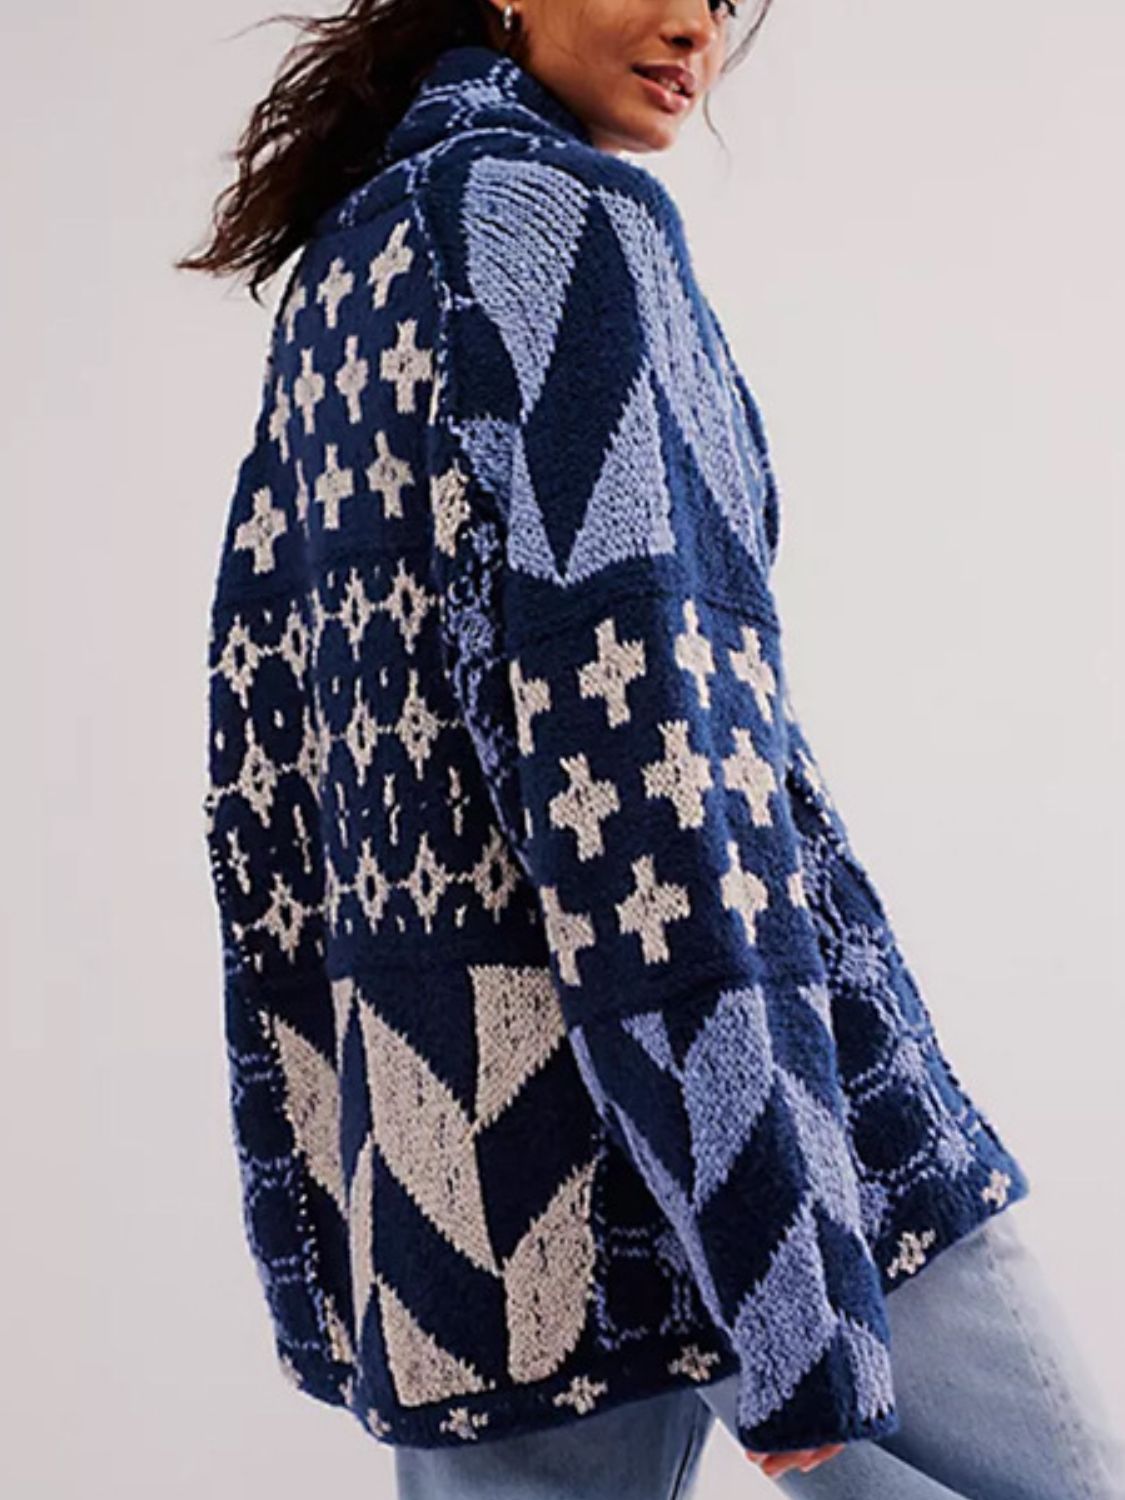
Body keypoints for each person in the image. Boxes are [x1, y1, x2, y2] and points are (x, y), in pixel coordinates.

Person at [179, 1, 1124, 1494]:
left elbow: (276, 771)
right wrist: (782, 1278)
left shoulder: (350, 265)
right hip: (743, 1096)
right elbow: (655, 764)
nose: (695, 23)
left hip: (465, 1173)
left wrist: (349, 1182)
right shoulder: (558, 229)